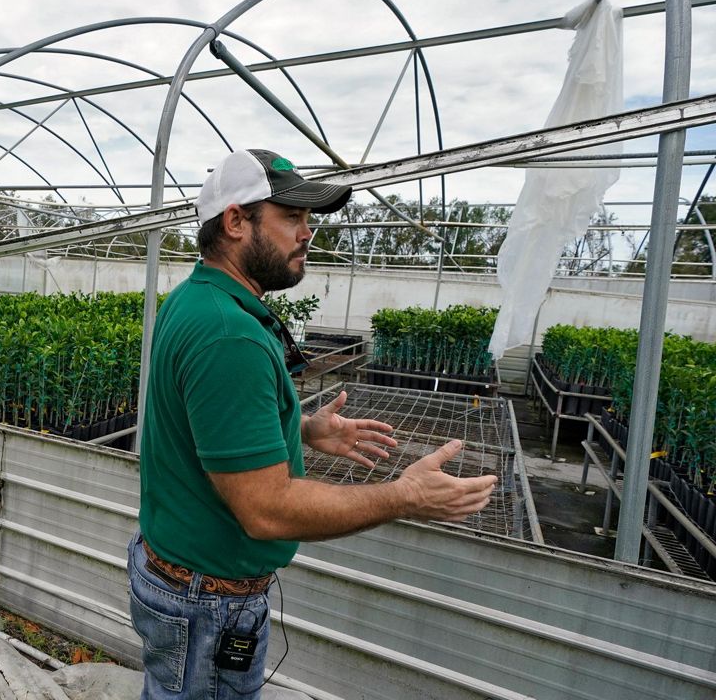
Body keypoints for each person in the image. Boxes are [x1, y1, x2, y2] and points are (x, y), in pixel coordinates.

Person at [129, 149, 498, 699]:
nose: (307, 233)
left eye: (309, 220)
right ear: (235, 221)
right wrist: (404, 496)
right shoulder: (230, 335)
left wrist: (298, 429)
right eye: (292, 217)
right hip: (209, 605)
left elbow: (200, 421)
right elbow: (266, 510)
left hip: (179, 575)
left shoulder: (196, 298)